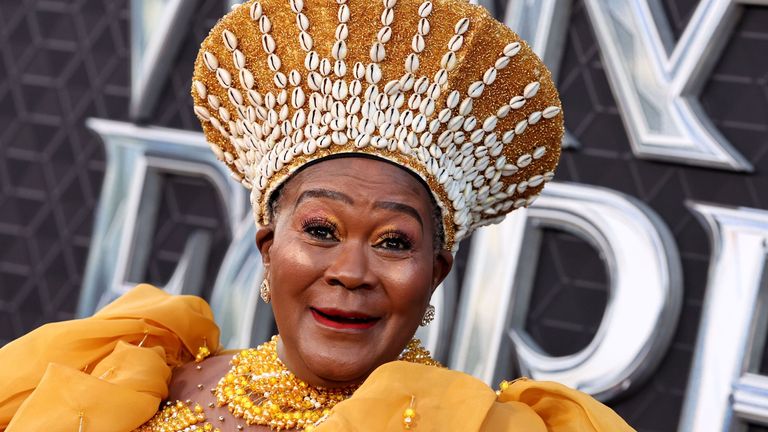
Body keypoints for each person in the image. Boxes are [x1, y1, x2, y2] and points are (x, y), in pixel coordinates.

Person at [0, 0, 635, 430]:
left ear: (436, 272)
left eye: (392, 241)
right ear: (268, 245)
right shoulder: (130, 377)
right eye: (321, 231)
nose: (351, 271)